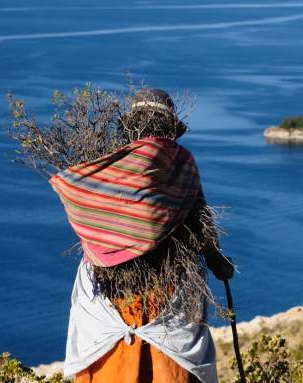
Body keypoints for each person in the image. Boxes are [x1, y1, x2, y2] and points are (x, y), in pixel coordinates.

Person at [51, 88, 234, 383]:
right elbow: (199, 219)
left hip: (106, 295)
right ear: (169, 127)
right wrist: (217, 262)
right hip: (168, 292)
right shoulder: (181, 161)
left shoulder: (105, 164)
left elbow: (84, 207)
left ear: (131, 125)